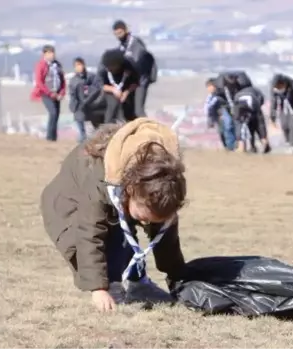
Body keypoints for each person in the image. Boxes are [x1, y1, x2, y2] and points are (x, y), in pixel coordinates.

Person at [40, 118, 187, 312]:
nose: (144, 223)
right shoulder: (99, 175)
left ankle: (138, 283)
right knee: (110, 237)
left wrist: (178, 278)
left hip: (117, 197)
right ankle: (113, 284)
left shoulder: (162, 182)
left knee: (125, 233)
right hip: (69, 205)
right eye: (143, 217)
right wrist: (99, 288)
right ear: (132, 191)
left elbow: (165, 235)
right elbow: (89, 234)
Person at [113, 20, 157, 117]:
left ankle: (148, 129)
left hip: (141, 81)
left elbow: (138, 63)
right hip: (131, 82)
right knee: (127, 110)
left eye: (120, 33)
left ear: (125, 30)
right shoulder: (122, 46)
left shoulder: (136, 44)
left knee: (138, 110)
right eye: (116, 34)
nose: (118, 36)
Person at [31, 44, 66, 142]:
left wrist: (62, 92)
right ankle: (49, 137)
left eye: (53, 53)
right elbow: (39, 81)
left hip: (57, 93)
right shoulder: (41, 65)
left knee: (57, 115)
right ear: (44, 54)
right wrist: (49, 93)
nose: (52, 55)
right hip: (46, 93)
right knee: (53, 113)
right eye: (50, 53)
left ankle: (54, 137)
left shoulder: (57, 65)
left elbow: (62, 80)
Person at [269, 73, 293, 153]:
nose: (278, 88)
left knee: (292, 125)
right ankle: (288, 142)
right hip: (284, 106)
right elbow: (274, 104)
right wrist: (272, 117)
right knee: (284, 125)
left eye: (279, 86)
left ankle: (292, 145)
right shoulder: (275, 90)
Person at [98, 48, 140, 125]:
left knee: (129, 109)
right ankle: (108, 127)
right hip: (110, 90)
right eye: (109, 67)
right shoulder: (103, 68)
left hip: (127, 90)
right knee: (113, 105)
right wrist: (113, 90)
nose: (111, 68)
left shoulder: (129, 66)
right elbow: (100, 85)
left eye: (113, 66)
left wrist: (126, 92)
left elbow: (135, 83)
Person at [68, 57, 105, 142]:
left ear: (84, 65)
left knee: (98, 129)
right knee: (82, 133)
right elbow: (72, 95)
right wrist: (73, 106)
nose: (79, 67)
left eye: (80, 65)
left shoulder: (91, 77)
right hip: (79, 108)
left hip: (93, 107)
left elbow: (98, 88)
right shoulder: (73, 80)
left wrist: (88, 92)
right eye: (76, 65)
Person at [232, 85, 271, 153]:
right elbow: (260, 123)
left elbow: (238, 123)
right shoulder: (256, 93)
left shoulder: (238, 95)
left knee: (243, 125)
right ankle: (263, 143)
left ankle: (244, 147)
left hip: (245, 104)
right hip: (253, 103)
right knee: (258, 124)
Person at [204, 77, 235, 150]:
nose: (208, 89)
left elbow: (210, 107)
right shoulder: (210, 96)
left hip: (224, 115)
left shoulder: (220, 94)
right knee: (222, 132)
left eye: (209, 87)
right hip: (218, 117)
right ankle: (227, 147)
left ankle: (230, 147)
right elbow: (208, 108)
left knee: (228, 130)